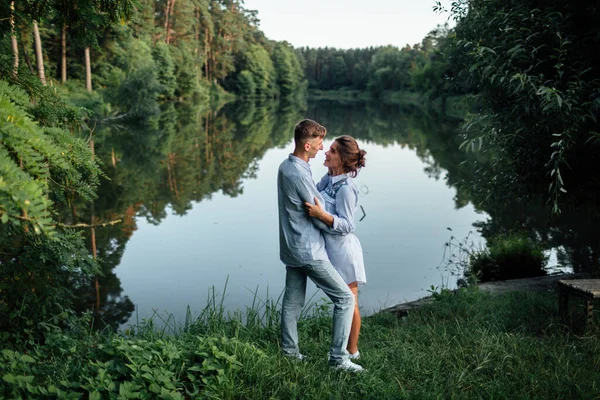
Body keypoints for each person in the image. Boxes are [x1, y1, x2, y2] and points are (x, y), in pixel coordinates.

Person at [277, 119, 364, 372]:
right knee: (346, 299)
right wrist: (325, 217)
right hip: (308, 250)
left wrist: (324, 208)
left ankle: (290, 353)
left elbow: (319, 203)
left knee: (293, 302)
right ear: (307, 144)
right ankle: (339, 360)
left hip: (291, 247)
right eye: (319, 143)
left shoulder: (289, 167)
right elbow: (317, 211)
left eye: (329, 147)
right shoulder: (298, 172)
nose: (322, 148)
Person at [304, 135, 367, 359]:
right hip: (329, 249)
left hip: (344, 252)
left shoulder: (347, 188)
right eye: (328, 149)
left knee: (350, 301)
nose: (326, 153)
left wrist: (322, 215)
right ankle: (345, 348)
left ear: (341, 159)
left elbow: (348, 225)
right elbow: (312, 191)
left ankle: (353, 352)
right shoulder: (329, 178)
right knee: (342, 301)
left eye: (331, 151)